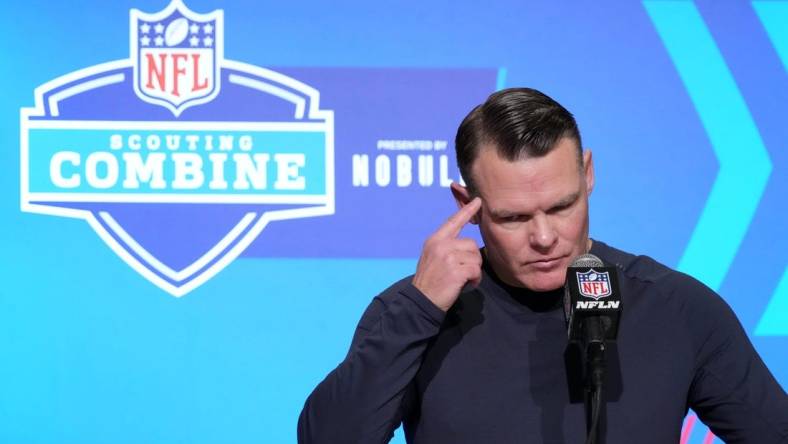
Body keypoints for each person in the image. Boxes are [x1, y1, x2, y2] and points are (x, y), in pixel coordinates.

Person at [297, 88, 788, 443]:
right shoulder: (414, 315)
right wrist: (420, 309)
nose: (545, 237)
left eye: (561, 206)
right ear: (466, 203)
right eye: (513, 217)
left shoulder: (676, 308)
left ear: (588, 174)